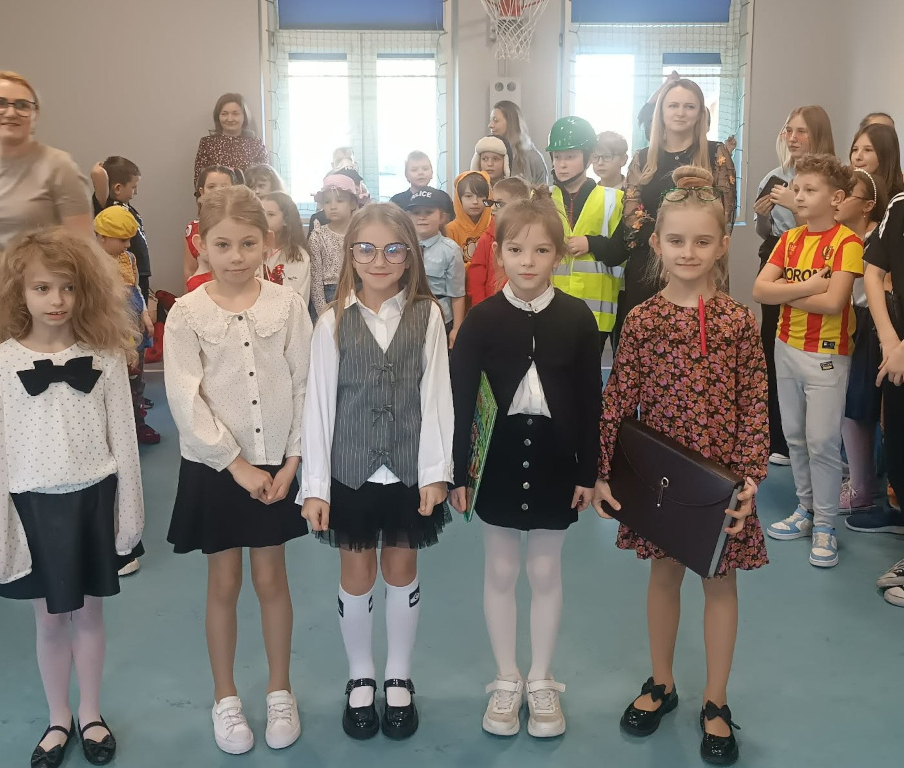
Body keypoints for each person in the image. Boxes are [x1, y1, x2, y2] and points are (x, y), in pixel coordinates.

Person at [593, 166, 768, 767]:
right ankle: (662, 682)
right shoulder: (642, 320)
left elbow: (755, 401)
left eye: (701, 240)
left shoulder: (738, 321)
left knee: (720, 583)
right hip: (662, 481)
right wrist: (604, 471)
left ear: (722, 245)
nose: (688, 251)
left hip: (723, 483)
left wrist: (750, 477)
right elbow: (618, 398)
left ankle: (716, 699)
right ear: (656, 243)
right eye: (675, 240)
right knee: (663, 577)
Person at [0, 227, 144, 767]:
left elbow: (124, 440)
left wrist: (128, 517)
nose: (57, 300)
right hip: (33, 507)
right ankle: (58, 717)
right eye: (42, 288)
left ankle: (91, 713)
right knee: (49, 620)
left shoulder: (104, 356)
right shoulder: (1, 364)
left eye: (68, 288)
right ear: (19, 293)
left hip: (93, 498)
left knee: (89, 616)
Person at [164, 185, 312, 754]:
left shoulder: (287, 305)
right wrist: (236, 464)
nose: (236, 256)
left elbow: (302, 385)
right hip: (217, 466)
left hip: (277, 463)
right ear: (202, 245)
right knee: (223, 582)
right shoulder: (186, 313)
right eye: (222, 244)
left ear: (268, 242)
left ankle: (280, 690)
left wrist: (293, 459)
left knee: (272, 579)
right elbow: (185, 398)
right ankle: (225, 697)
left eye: (248, 243)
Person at [449, 188, 602, 739]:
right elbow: (461, 398)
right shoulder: (482, 320)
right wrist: (458, 471)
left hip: (557, 456)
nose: (528, 262)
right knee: (500, 569)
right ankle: (506, 677)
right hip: (498, 455)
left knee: (544, 570)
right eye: (516, 250)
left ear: (558, 255)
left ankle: (540, 678)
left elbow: (591, 400)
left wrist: (588, 471)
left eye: (541, 251)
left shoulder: (578, 318)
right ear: (499, 253)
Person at [299, 203, 453, 741]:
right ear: (350, 254)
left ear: (410, 256)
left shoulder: (428, 317)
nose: (379, 260)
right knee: (357, 573)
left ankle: (398, 677)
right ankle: (361, 674)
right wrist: (315, 487)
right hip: (351, 471)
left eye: (392, 249)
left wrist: (436, 472)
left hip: (409, 471)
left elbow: (437, 398)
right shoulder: (331, 320)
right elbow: (318, 408)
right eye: (365, 248)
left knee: (401, 568)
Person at [0, 70, 93, 576]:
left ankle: (79, 530)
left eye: (21, 104)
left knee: (52, 416)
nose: (10, 111)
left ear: (34, 113)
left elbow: (81, 251)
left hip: (46, 306)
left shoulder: (58, 168)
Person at [754, 154, 863, 568]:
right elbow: (760, 291)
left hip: (827, 356)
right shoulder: (789, 240)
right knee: (795, 436)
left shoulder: (847, 243)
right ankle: (805, 509)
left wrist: (787, 292)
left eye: (809, 190)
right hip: (786, 348)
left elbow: (835, 303)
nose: (798, 195)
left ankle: (826, 525)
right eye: (796, 188)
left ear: (836, 198)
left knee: (821, 442)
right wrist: (810, 287)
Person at [620, 78, 736, 336]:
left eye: (689, 106)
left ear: (700, 114)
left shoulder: (716, 154)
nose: (680, 113)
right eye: (673, 105)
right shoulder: (641, 158)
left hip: (699, 268)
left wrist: (681, 242)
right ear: (661, 111)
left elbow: (722, 217)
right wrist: (667, 243)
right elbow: (631, 222)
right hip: (647, 268)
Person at [753, 106, 836, 466]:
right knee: (774, 345)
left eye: (801, 131)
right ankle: (779, 438)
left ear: (818, 135)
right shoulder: (774, 177)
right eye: (789, 130)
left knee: (811, 346)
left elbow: (831, 228)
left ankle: (814, 438)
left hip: (817, 263)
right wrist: (762, 216)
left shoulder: (834, 177)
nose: (793, 138)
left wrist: (795, 205)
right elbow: (765, 232)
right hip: (776, 259)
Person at [91, 158, 160, 445]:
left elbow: (136, 290)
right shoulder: (95, 264)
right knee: (111, 379)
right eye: (121, 240)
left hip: (133, 325)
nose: (128, 245)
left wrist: (144, 315)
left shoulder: (128, 259)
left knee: (135, 377)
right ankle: (112, 429)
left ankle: (137, 421)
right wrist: (100, 171)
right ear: (101, 238)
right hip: (112, 330)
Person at [547, 116, 628, 348]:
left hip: (596, 315)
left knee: (587, 370)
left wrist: (592, 243)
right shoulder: (542, 199)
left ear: (589, 156)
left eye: (570, 157)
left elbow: (621, 251)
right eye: (557, 157)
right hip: (549, 308)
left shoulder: (614, 200)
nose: (562, 164)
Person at [862, 178, 904, 606]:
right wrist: (891, 341)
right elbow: (873, 273)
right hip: (897, 356)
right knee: (897, 451)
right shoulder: (899, 205)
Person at [835, 169, 887, 515]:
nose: (836, 200)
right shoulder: (840, 237)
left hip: (871, 324)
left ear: (868, 205)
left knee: (859, 409)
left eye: (846, 194)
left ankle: (862, 488)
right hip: (850, 320)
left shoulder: (876, 239)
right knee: (849, 407)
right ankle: (859, 480)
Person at [404, 187, 465, 345]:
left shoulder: (450, 250)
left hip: (441, 319)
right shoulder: (402, 247)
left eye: (429, 212)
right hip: (407, 317)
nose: (422, 217)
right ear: (408, 217)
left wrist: (457, 328)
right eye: (416, 213)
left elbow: (457, 293)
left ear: (442, 217)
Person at [90, 156, 152, 309]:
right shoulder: (108, 206)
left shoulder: (127, 208)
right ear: (118, 188)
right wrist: (99, 171)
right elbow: (97, 176)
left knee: (140, 309)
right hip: (121, 276)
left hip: (138, 270)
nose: (136, 192)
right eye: (133, 187)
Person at [467, 177, 530, 307]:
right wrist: (481, 307)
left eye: (499, 204)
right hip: (491, 308)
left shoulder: (531, 237)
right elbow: (476, 278)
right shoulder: (487, 239)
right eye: (492, 202)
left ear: (521, 206)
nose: (493, 208)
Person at [309, 174, 360, 318]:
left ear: (352, 204)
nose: (333, 206)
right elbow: (315, 281)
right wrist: (323, 313)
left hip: (358, 291)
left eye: (340, 200)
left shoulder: (359, 234)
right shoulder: (317, 236)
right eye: (327, 202)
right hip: (328, 296)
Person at [184, 165, 241, 291]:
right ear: (202, 191)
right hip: (201, 292)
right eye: (211, 187)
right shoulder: (193, 228)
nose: (218, 191)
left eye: (224, 186)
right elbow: (189, 270)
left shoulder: (244, 225)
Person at [193, 93, 268, 187]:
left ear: (244, 116)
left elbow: (264, 180)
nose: (230, 119)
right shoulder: (207, 143)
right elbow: (199, 181)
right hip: (217, 196)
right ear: (218, 117)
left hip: (249, 195)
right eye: (224, 114)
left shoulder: (256, 144)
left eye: (235, 114)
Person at [261, 191, 311, 304]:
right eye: (261, 214)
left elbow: (300, 298)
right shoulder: (254, 250)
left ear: (286, 220)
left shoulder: (300, 256)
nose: (263, 219)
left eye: (270, 214)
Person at [488, 100, 549, 185]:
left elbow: (543, 191)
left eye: (496, 120)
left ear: (511, 122)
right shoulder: (487, 156)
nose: (490, 125)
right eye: (491, 120)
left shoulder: (533, 159)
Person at [446, 171, 492, 266]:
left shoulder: (495, 226)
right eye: (468, 196)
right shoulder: (450, 230)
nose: (475, 201)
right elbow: (449, 264)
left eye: (480, 196)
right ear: (459, 199)